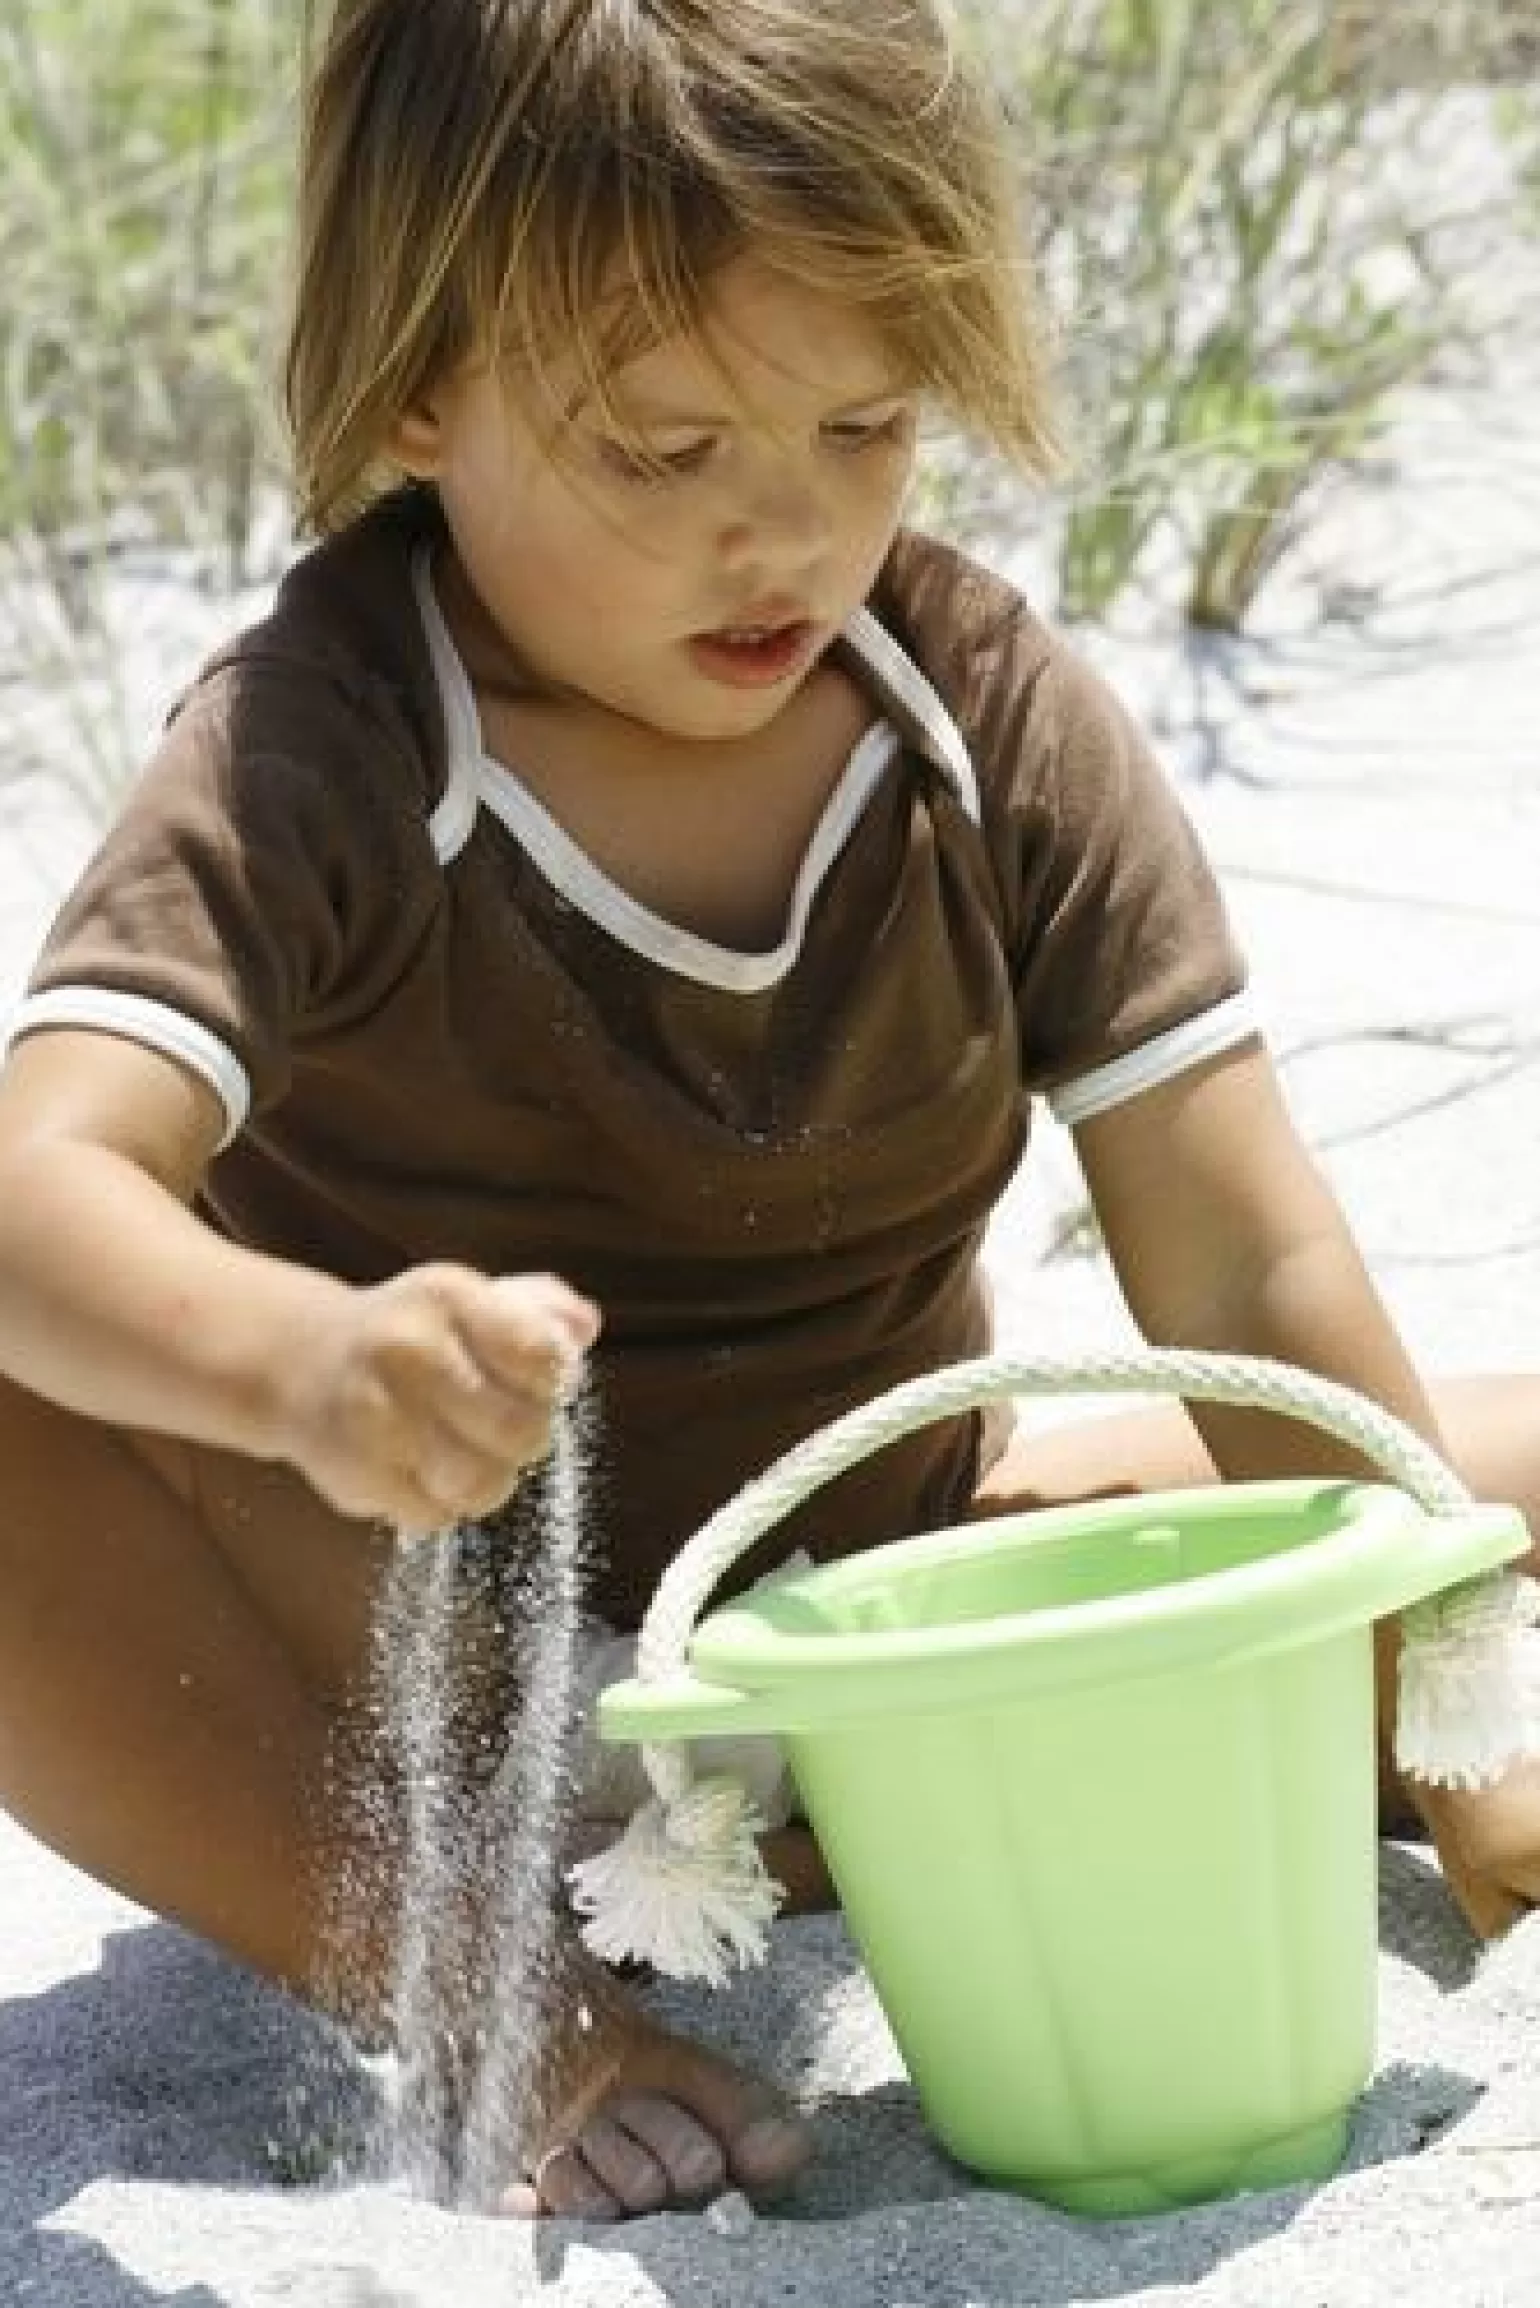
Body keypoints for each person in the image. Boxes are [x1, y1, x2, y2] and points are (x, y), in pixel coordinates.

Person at [0, 0, 1537, 2227]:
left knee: (1439, 1469)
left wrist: (1457, 1728)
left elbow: (1238, 1260)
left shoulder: (975, 716)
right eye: (659, 447)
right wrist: (307, 1366)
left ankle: (932, 1803)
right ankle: (493, 1996)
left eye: (864, 420)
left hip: (881, 1616)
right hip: (432, 1702)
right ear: (418, 383)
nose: (784, 525)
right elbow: (40, 1181)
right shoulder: (320, 747)